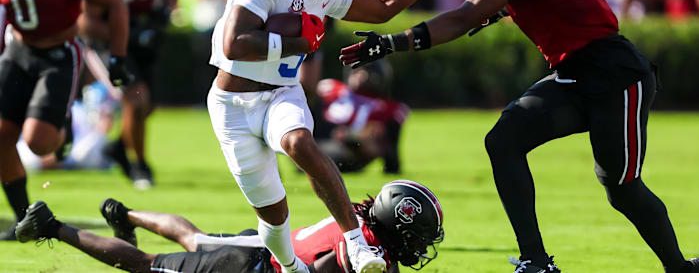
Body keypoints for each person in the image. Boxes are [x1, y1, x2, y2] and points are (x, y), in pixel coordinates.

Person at [340, 0, 699, 273]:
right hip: (575, 72)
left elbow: (465, 16)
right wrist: (502, 8)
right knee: (504, 141)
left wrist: (392, 42)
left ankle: (680, 268)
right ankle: (536, 261)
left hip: (614, 76)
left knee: (623, 190)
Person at [207, 0, 454, 273]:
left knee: (298, 141)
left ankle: (356, 244)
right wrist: (300, 43)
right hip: (233, 105)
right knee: (274, 219)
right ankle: (290, 268)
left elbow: (383, 5)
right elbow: (236, 43)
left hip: (280, 92)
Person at [0, 0, 130, 240]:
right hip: (18, 49)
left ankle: (63, 123)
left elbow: (115, 1)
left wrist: (117, 57)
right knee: (1, 137)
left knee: (39, 143)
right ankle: (26, 216)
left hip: (58, 54)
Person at [14, 180, 444, 273]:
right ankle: (52, 227)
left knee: (193, 237)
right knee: (146, 265)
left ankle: (126, 216)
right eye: (419, 234)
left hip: (266, 245)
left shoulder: (355, 216)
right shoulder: (370, 258)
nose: (421, 244)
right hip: (249, 268)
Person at [80, 0, 176, 189]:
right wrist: (129, 32)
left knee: (147, 106)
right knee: (136, 99)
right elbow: (86, 21)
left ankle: (118, 148)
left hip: (142, 30)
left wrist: (164, 13)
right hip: (107, 39)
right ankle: (139, 166)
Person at [316, 60, 408, 173]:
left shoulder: (386, 107)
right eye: (357, 71)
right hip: (317, 141)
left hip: (350, 153)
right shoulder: (331, 89)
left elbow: (389, 153)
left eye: (367, 71)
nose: (361, 76)